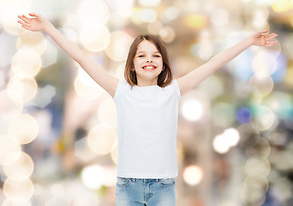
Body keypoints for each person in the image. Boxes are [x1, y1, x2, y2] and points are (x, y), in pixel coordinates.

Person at [17, 13, 278, 206]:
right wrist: (47, 28)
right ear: (131, 65)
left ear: (163, 64)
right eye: (141, 55)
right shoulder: (121, 92)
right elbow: (82, 58)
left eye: (155, 55)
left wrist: (248, 42)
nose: (149, 60)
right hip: (128, 188)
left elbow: (213, 63)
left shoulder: (172, 92)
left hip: (163, 189)